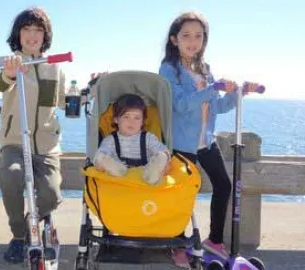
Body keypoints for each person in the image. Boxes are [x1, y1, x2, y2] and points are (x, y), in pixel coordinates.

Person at [158, 11, 262, 267]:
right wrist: (211, 89)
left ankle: (214, 241)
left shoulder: (205, 69)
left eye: (199, 36)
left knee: (224, 186)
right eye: (186, 36)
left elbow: (219, 106)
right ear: (174, 39)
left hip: (206, 142)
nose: (193, 41)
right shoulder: (169, 69)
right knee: (182, 194)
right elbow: (181, 105)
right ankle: (176, 243)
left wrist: (239, 93)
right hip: (182, 145)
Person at [0, 7, 67, 264]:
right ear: (18, 34)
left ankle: (37, 220)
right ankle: (19, 236)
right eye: (27, 29)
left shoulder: (54, 68)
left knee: (52, 194)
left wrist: (93, 87)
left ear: (45, 36)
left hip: (47, 145)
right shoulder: (8, 61)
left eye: (38, 30)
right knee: (11, 177)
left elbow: (65, 101)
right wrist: (11, 73)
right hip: (14, 141)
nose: (32, 35)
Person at [93, 94, 171, 185]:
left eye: (137, 118)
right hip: (120, 181)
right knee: (101, 156)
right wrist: (100, 161)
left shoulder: (149, 138)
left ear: (142, 121)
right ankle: (115, 168)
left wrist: (163, 157)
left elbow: (161, 149)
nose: (131, 122)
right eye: (126, 117)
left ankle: (152, 174)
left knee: (162, 155)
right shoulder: (111, 140)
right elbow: (102, 151)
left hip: (145, 179)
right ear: (116, 119)